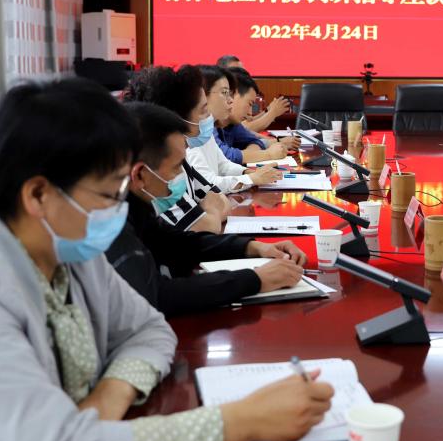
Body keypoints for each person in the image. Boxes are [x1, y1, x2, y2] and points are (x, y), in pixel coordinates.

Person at [0, 78, 333, 441]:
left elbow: (149, 329)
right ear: (38, 194)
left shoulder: (66, 247)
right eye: (110, 193)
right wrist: (241, 422)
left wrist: (108, 398)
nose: (119, 208)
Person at [109, 102, 307, 316]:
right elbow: (159, 295)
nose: (181, 177)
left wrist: (253, 248)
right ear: (139, 175)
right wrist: (256, 279)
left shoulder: (133, 204)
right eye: (176, 168)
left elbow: (174, 243)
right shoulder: (108, 223)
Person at [124, 66, 231, 233]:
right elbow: (206, 227)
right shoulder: (160, 170)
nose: (209, 116)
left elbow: (221, 200)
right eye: (203, 110)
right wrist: (210, 211)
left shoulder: (181, 162)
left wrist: (209, 213)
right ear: (176, 118)